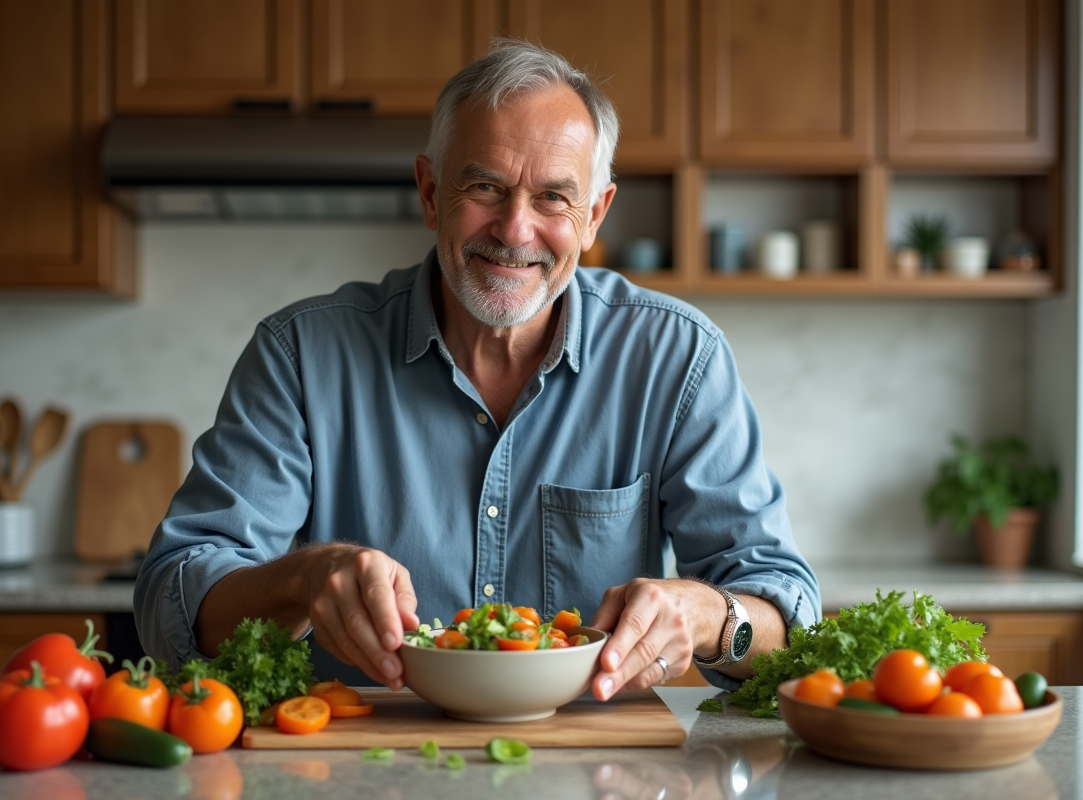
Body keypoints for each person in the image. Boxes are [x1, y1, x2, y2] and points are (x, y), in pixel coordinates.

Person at [134, 39, 820, 699]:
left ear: (594, 216)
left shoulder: (677, 359)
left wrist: (704, 616)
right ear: (431, 192)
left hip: (594, 770)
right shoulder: (299, 356)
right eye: (485, 186)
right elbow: (171, 602)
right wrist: (304, 579)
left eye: (554, 197)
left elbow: (789, 620)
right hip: (355, 766)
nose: (516, 229)